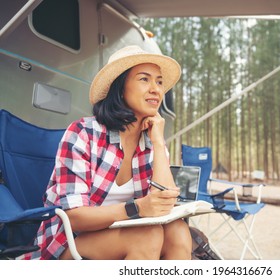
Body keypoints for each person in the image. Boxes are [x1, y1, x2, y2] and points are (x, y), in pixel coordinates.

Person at [21, 45, 192, 260]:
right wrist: (136, 208)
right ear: (120, 88)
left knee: (179, 232)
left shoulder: (152, 142)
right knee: (147, 235)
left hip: (120, 234)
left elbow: (164, 203)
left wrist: (158, 142)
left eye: (159, 81)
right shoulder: (83, 133)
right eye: (144, 79)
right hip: (68, 242)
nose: (156, 89)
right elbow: (74, 217)